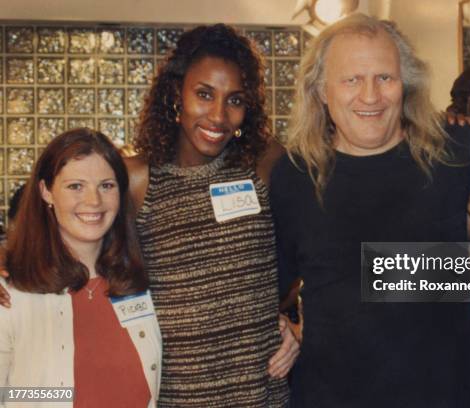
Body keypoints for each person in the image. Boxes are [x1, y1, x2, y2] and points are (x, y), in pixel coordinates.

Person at [270, 13, 470, 407]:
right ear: (320, 90)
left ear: (407, 85)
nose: (370, 96)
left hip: (447, 395)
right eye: (351, 79)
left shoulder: (456, 150)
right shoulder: (294, 174)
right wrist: (277, 325)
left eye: (385, 77)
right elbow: (268, 284)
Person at [124, 24, 295, 407]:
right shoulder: (138, 180)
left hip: (262, 395)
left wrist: (300, 326)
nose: (218, 116)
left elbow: (317, 251)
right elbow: (89, 260)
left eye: (234, 100)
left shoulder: (264, 164)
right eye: (204, 94)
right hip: (177, 398)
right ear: (175, 94)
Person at [0, 128, 161, 407]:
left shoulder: (140, 281)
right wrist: (59, 394)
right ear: (46, 191)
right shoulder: (11, 292)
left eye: (106, 186)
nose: (93, 201)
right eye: (76, 186)